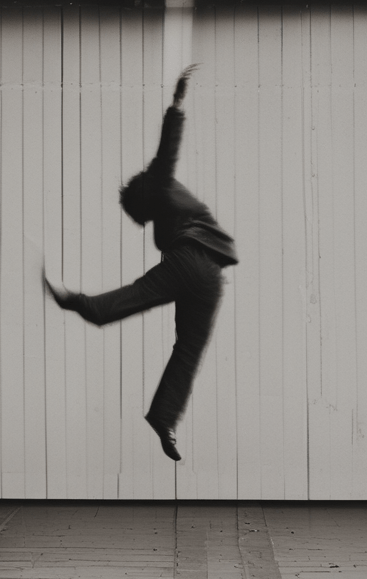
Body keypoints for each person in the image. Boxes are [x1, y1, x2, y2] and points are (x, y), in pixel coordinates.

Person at [44, 65, 237, 461]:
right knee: (189, 348)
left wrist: (176, 105)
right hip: (208, 272)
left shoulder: (160, 213)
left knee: (143, 296)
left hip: (193, 267)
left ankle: (88, 306)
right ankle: (165, 417)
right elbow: (167, 152)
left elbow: (167, 155)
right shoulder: (161, 187)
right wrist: (177, 104)